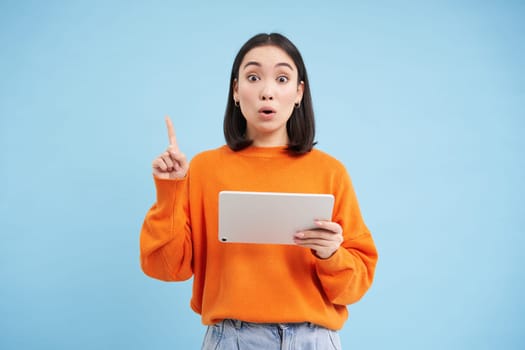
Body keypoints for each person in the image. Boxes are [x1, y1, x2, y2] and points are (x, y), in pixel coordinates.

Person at [140, 33, 378, 350]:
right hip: (232, 339)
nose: (267, 92)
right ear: (236, 90)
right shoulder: (204, 169)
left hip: (314, 340)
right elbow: (165, 268)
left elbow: (354, 288)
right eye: (253, 77)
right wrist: (170, 190)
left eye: (282, 78)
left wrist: (331, 254)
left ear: (298, 92)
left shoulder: (330, 172)